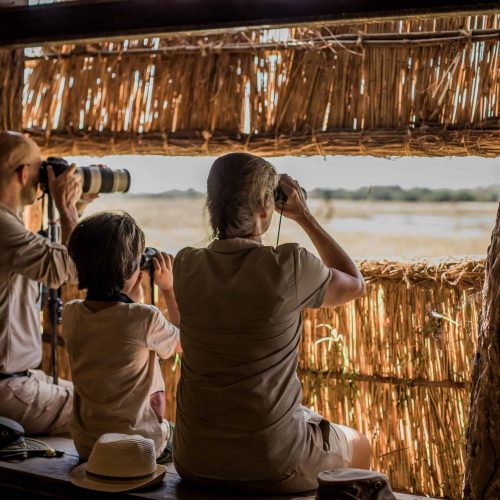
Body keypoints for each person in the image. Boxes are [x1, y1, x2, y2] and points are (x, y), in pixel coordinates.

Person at [172, 153, 371, 494]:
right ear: (267, 204)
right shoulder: (288, 265)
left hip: (194, 456)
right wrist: (304, 215)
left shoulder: (185, 266)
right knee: (360, 443)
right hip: (272, 461)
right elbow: (355, 283)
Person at [62, 212, 181, 462]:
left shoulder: (71, 313)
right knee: (181, 436)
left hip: (89, 446)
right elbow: (182, 341)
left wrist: (128, 296)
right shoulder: (144, 318)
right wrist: (168, 289)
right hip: (140, 445)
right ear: (130, 270)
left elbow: (113, 324)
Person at [0, 130, 93, 435]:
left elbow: (55, 256)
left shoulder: (10, 225)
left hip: (20, 378)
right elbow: (70, 268)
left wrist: (76, 208)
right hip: (8, 388)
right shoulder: (3, 226)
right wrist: (65, 207)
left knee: (99, 397)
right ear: (23, 173)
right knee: (105, 409)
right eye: (40, 169)